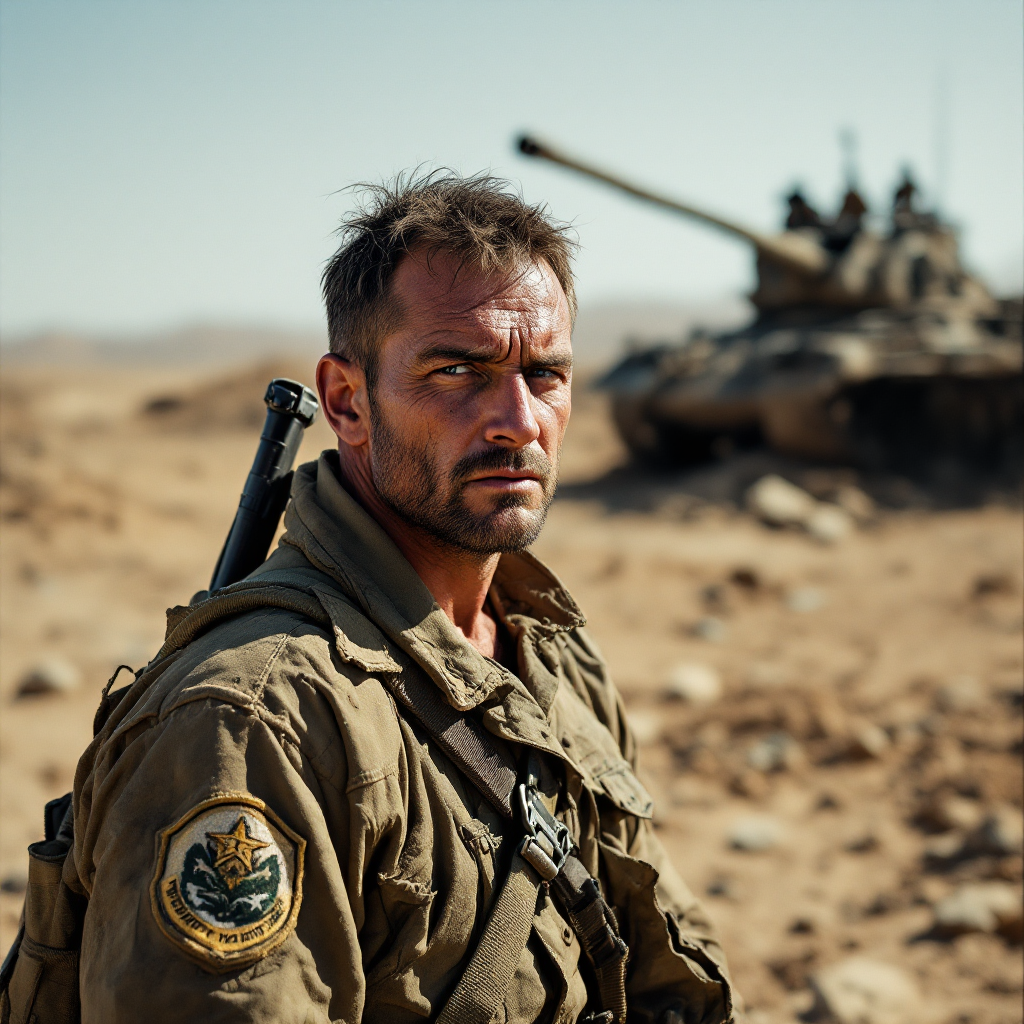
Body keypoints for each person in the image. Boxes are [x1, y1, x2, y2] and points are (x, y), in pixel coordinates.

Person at [53, 173, 734, 1022]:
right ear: (347, 401)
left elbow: (658, 952)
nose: (519, 420)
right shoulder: (257, 724)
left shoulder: (545, 648)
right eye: (458, 371)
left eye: (547, 375)